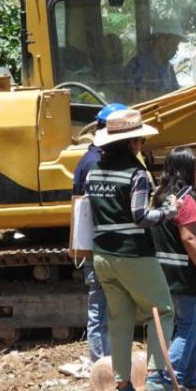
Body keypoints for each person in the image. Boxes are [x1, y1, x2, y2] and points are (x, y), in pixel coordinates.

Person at [86, 107, 178, 391]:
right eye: (139, 140)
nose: (141, 145)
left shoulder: (94, 171)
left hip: (102, 255)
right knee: (162, 309)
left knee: (119, 319)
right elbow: (140, 215)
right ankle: (156, 376)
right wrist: (168, 212)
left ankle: (124, 387)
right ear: (131, 142)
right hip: (133, 253)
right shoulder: (135, 174)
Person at [150, 148, 196, 391]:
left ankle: (189, 377)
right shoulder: (185, 200)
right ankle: (164, 377)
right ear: (186, 169)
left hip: (165, 274)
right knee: (188, 326)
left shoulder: (160, 197)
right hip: (186, 275)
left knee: (191, 326)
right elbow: (189, 238)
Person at [72, 102, 127, 362]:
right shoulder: (97, 163)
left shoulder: (90, 159)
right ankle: (101, 361)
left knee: (102, 304)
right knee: (100, 305)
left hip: (96, 240)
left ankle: (105, 357)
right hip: (100, 242)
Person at [126, 25, 181, 99]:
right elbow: (136, 96)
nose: (177, 49)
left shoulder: (168, 68)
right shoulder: (138, 65)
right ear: (162, 40)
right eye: (174, 44)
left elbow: (176, 92)